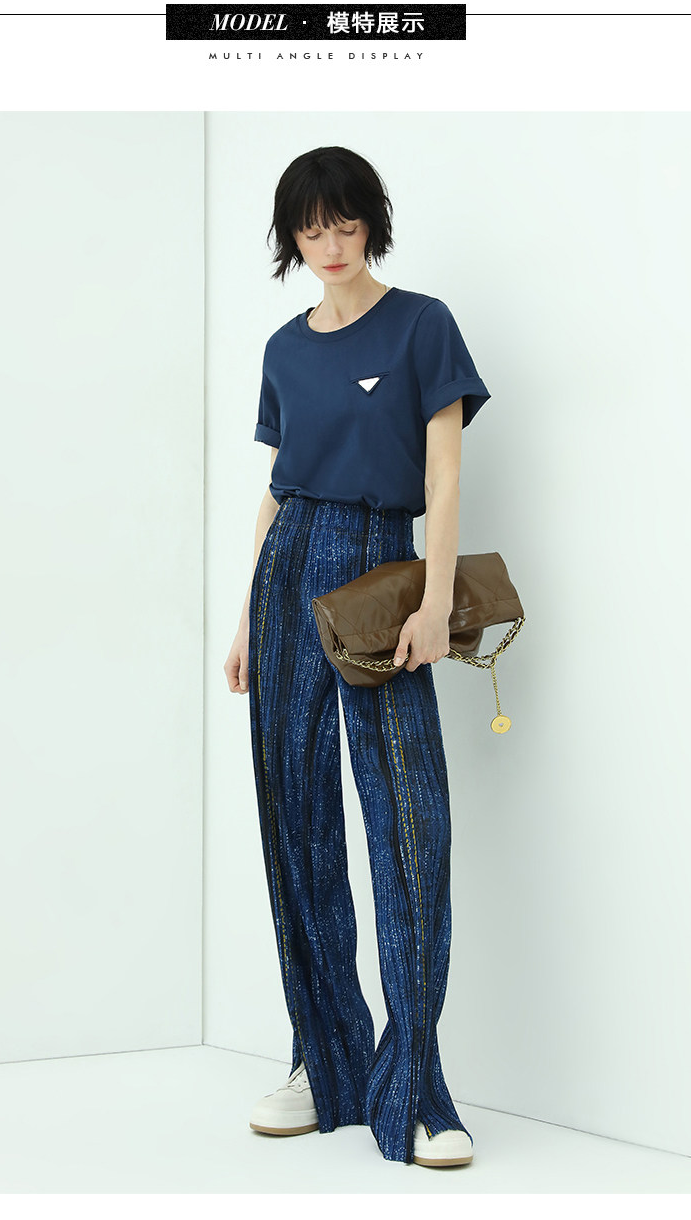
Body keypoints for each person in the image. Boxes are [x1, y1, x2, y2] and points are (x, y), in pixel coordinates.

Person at [223, 145, 491, 1168]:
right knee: (294, 820)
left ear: (371, 222)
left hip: (382, 569)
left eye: (343, 224)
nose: (328, 245)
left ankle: (415, 1086)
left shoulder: (422, 324)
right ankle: (321, 1060)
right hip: (288, 570)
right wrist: (247, 617)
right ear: (291, 238)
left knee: (410, 826)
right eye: (310, 229)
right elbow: (278, 489)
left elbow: (445, 472)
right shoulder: (284, 348)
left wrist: (435, 599)